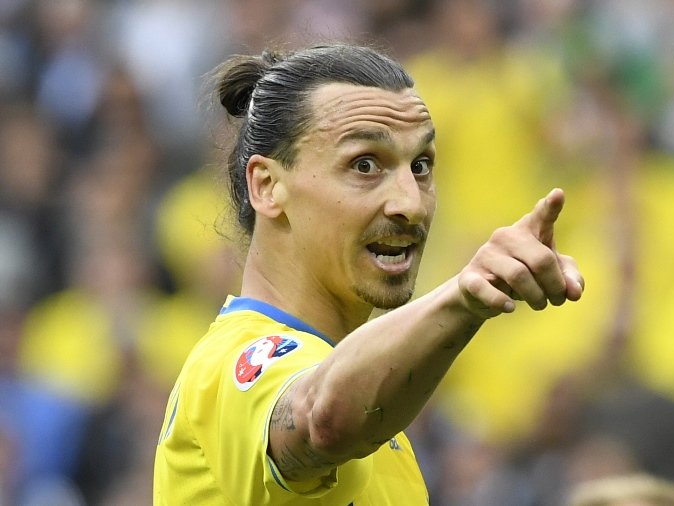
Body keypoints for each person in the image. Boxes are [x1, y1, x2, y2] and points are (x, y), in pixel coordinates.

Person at [152, 42, 584, 505]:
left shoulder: (383, 419)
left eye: (420, 167)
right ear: (267, 186)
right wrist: (464, 296)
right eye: (364, 165)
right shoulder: (228, 364)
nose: (410, 204)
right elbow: (321, 420)